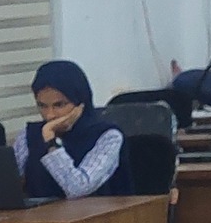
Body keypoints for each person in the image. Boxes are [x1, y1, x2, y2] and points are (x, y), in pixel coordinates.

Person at [13, 59, 127, 200]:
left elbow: (77, 189)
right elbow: (7, 184)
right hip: (42, 214)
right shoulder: (29, 135)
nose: (50, 115)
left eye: (59, 105)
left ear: (80, 103)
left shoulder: (108, 136)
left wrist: (51, 144)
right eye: (42, 106)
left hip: (97, 213)